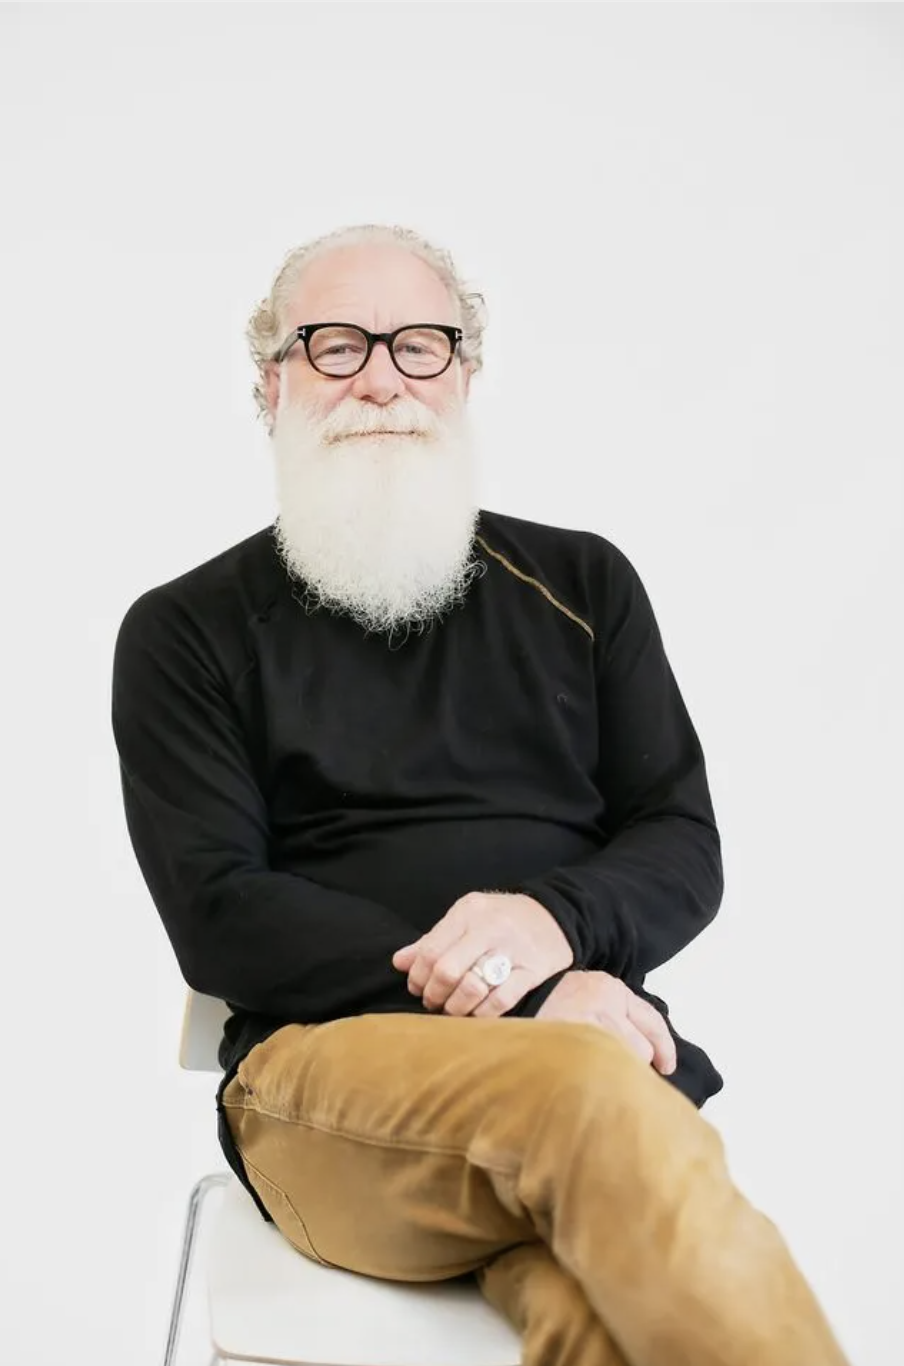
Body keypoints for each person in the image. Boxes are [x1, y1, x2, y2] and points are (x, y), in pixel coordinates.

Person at [111, 222, 849, 1365]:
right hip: (328, 1083)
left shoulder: (583, 584)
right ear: (273, 382)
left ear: (464, 375)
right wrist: (517, 989)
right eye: (334, 345)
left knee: (597, 1313)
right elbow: (219, 912)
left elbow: (679, 840)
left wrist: (553, 917)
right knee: (591, 1095)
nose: (381, 379)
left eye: (419, 345)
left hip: (581, 1082)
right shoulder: (187, 630)